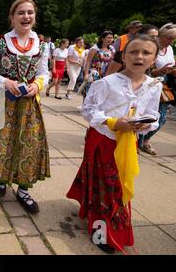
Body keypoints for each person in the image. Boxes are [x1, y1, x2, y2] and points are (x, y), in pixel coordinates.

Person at [67, 35, 162, 254]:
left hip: (128, 144)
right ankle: (100, 230)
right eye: (133, 52)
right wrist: (112, 122)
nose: (139, 57)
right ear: (123, 56)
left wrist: (143, 125)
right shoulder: (107, 82)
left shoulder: (154, 86)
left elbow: (153, 115)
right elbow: (88, 110)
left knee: (117, 188)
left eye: (146, 53)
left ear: (155, 58)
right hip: (103, 140)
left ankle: (108, 224)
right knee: (106, 187)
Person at [0, 0, 50, 214]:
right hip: (2, 100)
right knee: (0, 142)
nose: (26, 17)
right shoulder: (0, 42)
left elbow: (45, 72)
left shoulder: (42, 44)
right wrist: (5, 82)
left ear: (34, 17)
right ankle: (0, 179)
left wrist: (38, 84)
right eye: (21, 13)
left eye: (30, 12)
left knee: (29, 144)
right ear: (12, 17)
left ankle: (23, 190)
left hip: (28, 104)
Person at [138, 23, 176, 155]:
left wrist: (172, 71)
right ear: (160, 36)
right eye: (168, 38)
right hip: (148, 85)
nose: (170, 41)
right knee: (143, 114)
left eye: (173, 39)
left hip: (164, 87)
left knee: (161, 118)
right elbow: (146, 69)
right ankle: (138, 141)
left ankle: (145, 139)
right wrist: (159, 71)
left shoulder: (170, 49)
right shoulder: (151, 48)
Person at [82, 30, 115, 97]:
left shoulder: (112, 49)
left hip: (106, 74)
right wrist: (86, 74)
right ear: (103, 38)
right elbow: (88, 61)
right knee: (91, 91)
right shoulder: (95, 48)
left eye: (111, 38)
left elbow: (113, 61)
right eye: (108, 38)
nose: (110, 39)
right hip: (95, 73)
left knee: (101, 93)